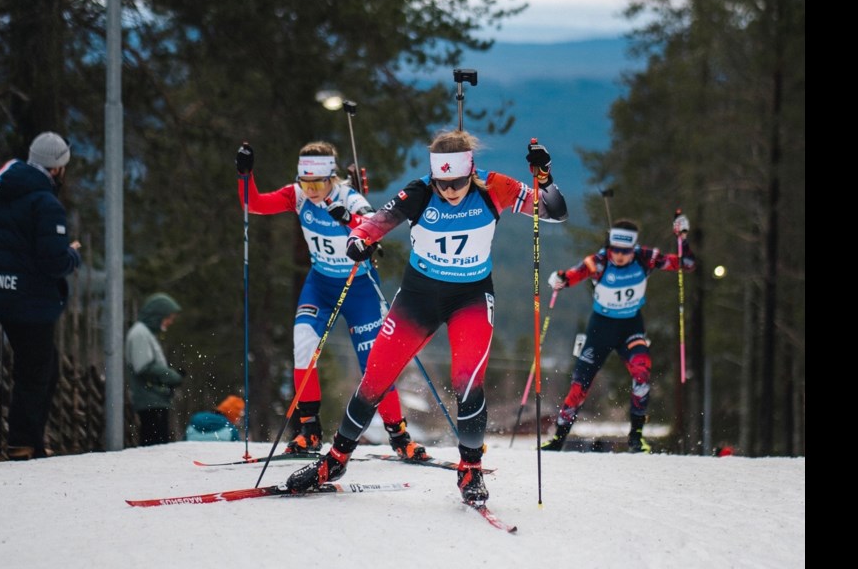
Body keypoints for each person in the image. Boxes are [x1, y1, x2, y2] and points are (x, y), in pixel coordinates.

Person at [285, 130, 568, 504]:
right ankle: (336, 458)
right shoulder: (420, 190)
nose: (450, 191)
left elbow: (553, 211)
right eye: (443, 183)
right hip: (418, 297)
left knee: (468, 382)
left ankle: (470, 469)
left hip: (470, 297)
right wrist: (361, 239)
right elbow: (381, 218)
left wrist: (544, 177)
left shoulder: (494, 187)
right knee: (376, 378)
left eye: (458, 183)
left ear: (471, 172)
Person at [236, 140, 428, 460]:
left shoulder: (349, 197)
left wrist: (350, 221)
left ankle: (399, 435)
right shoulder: (296, 195)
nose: (311, 190)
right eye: (305, 182)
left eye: (318, 183)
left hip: (359, 289)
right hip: (321, 286)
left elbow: (376, 225)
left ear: (332, 178)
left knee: (375, 365)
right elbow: (252, 203)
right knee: (303, 346)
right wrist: (245, 174)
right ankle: (309, 432)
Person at [541, 215, 696, 454]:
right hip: (600, 329)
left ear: (633, 248)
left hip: (630, 328)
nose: (619, 256)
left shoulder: (646, 258)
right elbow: (574, 274)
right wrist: (560, 279)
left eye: (625, 251)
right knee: (579, 385)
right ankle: (558, 439)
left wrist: (682, 238)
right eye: (615, 250)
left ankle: (636, 438)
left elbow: (686, 264)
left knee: (642, 373)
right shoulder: (600, 262)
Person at [0, 131, 82, 461]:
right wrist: (73, 254)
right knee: (36, 372)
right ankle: (22, 443)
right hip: (32, 302)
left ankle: (31, 441)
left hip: (2, 294)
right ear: (56, 168)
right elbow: (53, 262)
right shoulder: (45, 203)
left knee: (41, 369)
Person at [125, 292, 185, 446]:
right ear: (158, 315)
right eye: (168, 317)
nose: (169, 322)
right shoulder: (140, 333)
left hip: (154, 400)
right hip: (150, 401)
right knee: (154, 446)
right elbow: (144, 367)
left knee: (156, 445)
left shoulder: (145, 333)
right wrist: (172, 376)